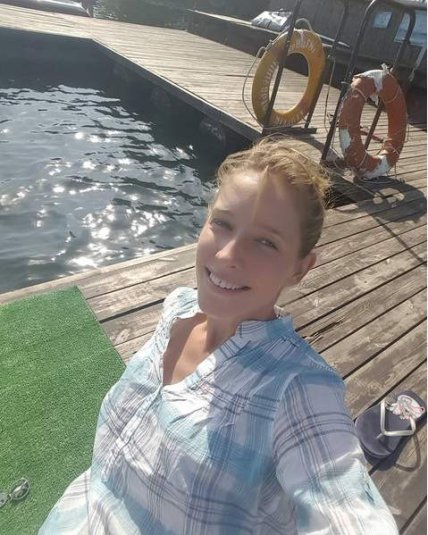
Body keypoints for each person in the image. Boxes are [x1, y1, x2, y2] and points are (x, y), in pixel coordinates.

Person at [39, 137, 399, 534]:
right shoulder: (178, 307)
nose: (227, 254)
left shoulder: (297, 389)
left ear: (300, 269)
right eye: (222, 224)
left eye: (266, 242)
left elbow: (346, 507)